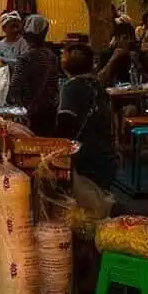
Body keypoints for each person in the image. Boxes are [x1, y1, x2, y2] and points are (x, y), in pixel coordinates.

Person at [57, 43, 118, 191]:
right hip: (106, 155)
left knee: (85, 206)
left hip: (84, 156)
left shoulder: (70, 87)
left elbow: (66, 122)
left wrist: (57, 149)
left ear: (64, 66)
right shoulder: (96, 83)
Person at [6, 14, 60, 136]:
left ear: (25, 35)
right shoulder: (52, 56)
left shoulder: (25, 58)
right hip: (50, 111)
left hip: (30, 113)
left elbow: (14, 90)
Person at [98, 21, 138, 88]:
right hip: (113, 95)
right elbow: (99, 81)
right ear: (117, 39)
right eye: (125, 38)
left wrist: (136, 62)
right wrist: (113, 59)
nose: (129, 41)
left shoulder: (137, 53)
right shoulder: (107, 54)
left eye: (132, 38)